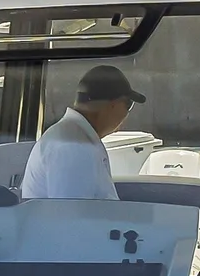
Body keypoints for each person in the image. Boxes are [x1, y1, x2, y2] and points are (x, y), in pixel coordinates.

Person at [19, 65, 135, 203]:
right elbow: (73, 217)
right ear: (113, 105)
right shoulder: (74, 146)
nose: (127, 115)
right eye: (129, 105)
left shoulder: (76, 137)